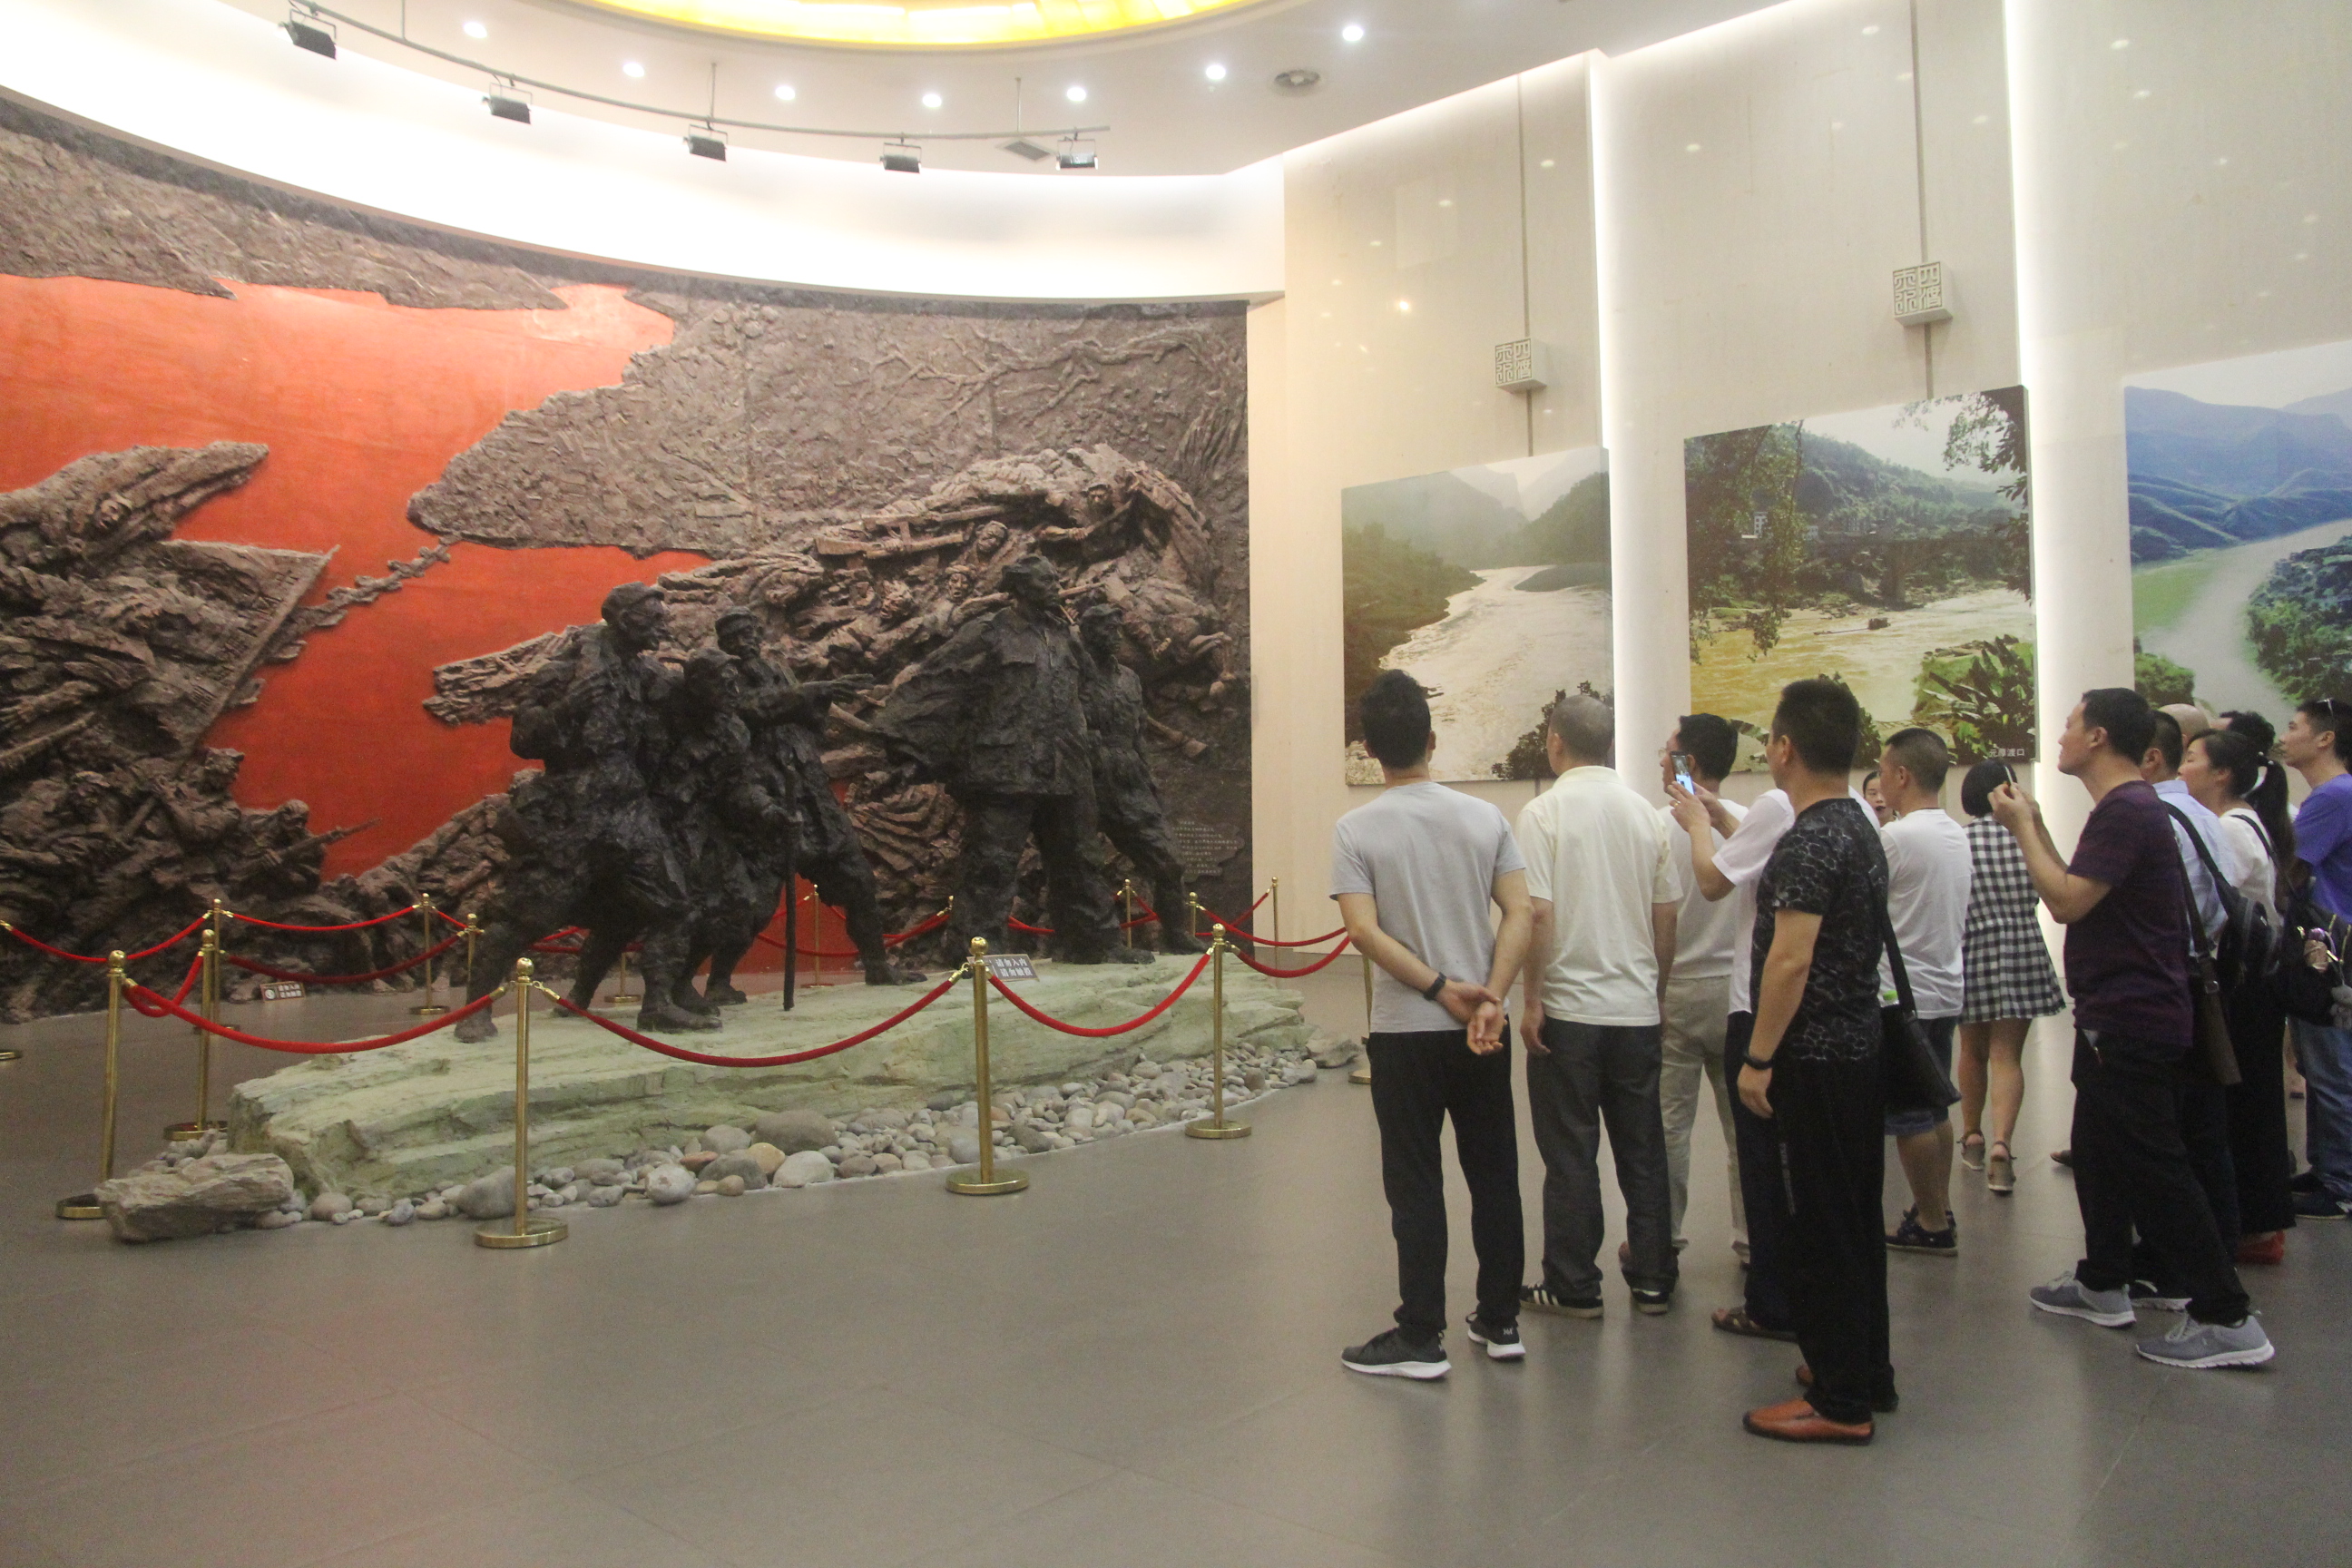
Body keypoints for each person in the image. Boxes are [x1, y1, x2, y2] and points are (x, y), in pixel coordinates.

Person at [1992, 688, 2274, 1369]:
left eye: (2070, 724)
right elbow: (2080, 886)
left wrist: (2022, 828)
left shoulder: (2126, 809)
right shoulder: (2127, 808)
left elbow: (2065, 902)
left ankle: (2226, 1315)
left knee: (2156, 1165)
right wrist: (2035, 823)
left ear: (2097, 738)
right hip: (2119, 1013)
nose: (2060, 736)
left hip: (2132, 1016)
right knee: (2099, 1150)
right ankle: (2103, 1278)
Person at [1333, 671, 1534, 1378]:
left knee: (1415, 1182)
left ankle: (1421, 1333)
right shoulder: (1485, 818)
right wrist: (1490, 996)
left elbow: (1363, 931)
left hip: (1404, 1030)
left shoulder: (1355, 829)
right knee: (1495, 1172)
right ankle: (1500, 1320)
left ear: (1368, 750)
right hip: (1481, 1029)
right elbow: (1521, 911)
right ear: (1432, 739)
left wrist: (1439, 989)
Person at [1736, 680, 1896, 1444]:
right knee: (1854, 1218)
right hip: (1859, 1047)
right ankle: (1863, 1366)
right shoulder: (1858, 826)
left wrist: (1758, 1056)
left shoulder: (1808, 840)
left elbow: (1790, 960)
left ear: (1785, 748)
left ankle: (1840, 1400)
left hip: (1817, 1057)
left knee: (1822, 1224)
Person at [1671, 750, 1874, 1342]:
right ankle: (1820, 1312)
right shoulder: (1854, 813)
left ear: (1785, 749)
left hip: (1762, 1010)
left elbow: (1714, 882)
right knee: (1813, 1172)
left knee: (1762, 1162)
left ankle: (1772, 1300)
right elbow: (1765, 854)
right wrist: (1719, 817)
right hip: (1838, 1024)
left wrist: (1698, 826)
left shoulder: (1776, 807)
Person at [1514, 695, 1680, 1318]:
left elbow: (1538, 913)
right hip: (1634, 1010)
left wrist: (1532, 999)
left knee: (1570, 1152)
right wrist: (1655, 992)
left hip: (1570, 1012)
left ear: (1556, 742)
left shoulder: (1543, 814)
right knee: (1643, 1149)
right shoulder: (1646, 816)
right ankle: (1655, 1278)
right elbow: (1666, 916)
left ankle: (1573, 1283)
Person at [2181, 726, 2297, 1263]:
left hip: (2244, 987)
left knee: (2245, 1108)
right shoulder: (2248, 820)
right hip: (2258, 985)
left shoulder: (2230, 827)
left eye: (2191, 758)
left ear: (2222, 773)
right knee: (2254, 1104)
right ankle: (2258, 1224)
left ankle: (2253, 1227)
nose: (2182, 769)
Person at [2138, 707, 2244, 1271]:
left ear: (2150, 757)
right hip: (2202, 979)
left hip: (2162, 982)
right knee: (2203, 1132)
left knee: (2162, 1134)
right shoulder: (2204, 816)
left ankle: (2177, 1263)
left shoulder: (2150, 816)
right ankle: (2217, 1249)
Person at [1876, 729, 1972, 1258]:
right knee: (1935, 1107)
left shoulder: (1898, 837)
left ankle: (1932, 1221)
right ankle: (1937, 1205)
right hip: (1943, 987)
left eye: (1882, 770)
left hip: (1901, 994)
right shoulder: (1954, 832)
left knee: (1910, 1113)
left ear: (1902, 775)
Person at [1656, 714, 1749, 1262]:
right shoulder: (1746, 822)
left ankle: (1663, 1238)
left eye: (1667, 751)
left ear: (1688, 762)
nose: (1660, 759)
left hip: (1675, 991)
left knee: (1669, 1126)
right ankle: (1752, 1238)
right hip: (1736, 993)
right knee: (1743, 1129)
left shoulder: (1654, 826)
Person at [1955, 760, 2066, 1194]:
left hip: (1972, 948)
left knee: (1971, 1050)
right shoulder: (2026, 838)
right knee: (2007, 1055)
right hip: (2022, 944)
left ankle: (1972, 1136)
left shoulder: (1959, 840)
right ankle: (2002, 1143)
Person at [2281, 697, 2352, 1220]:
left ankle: (2342, 1180)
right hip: (2334, 944)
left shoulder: (2332, 796)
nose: (2286, 736)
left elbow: (2292, 869)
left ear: (2325, 738)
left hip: (2331, 949)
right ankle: (2327, 1166)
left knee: (2330, 1066)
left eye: (2294, 727)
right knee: (2321, 1061)